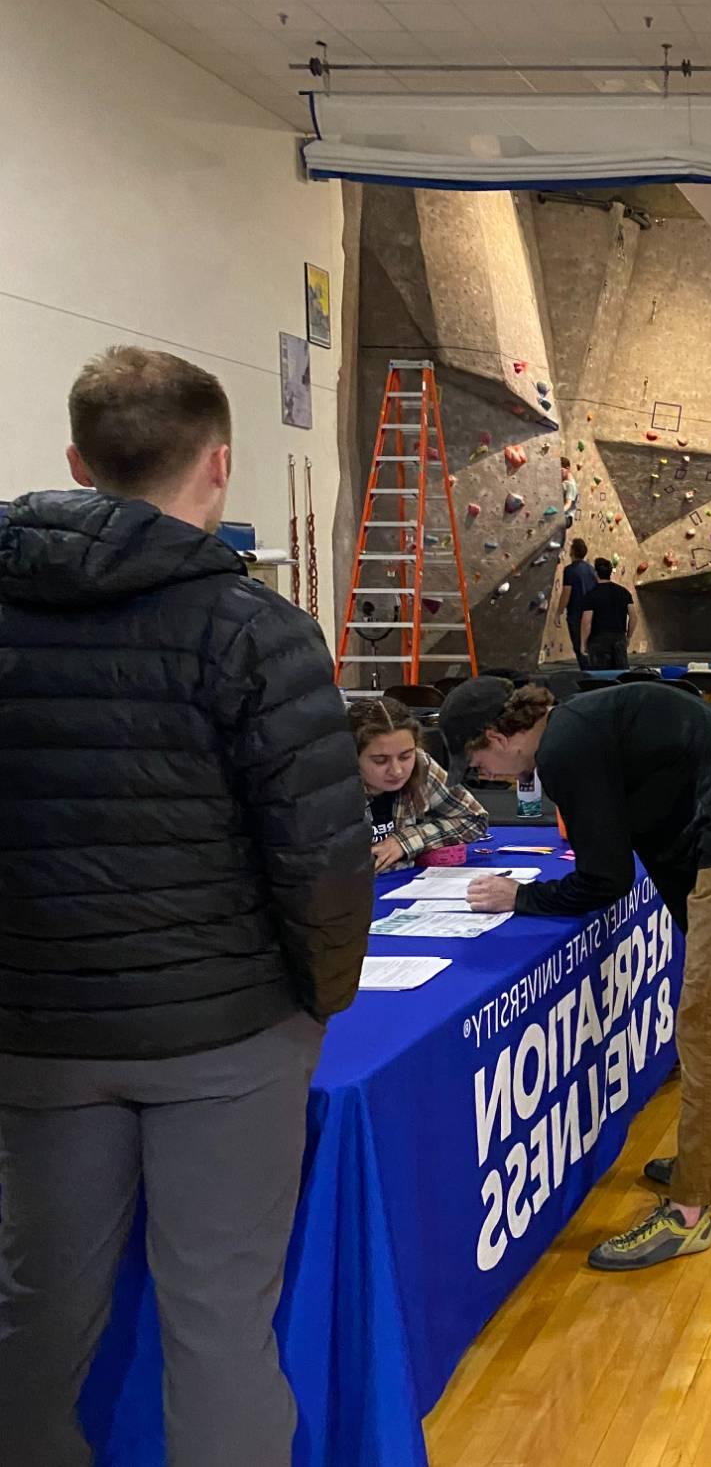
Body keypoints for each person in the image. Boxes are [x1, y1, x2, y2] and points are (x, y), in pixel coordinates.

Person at [0, 347, 372, 1464]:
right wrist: (317, 1004)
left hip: (40, 1033)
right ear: (220, 465)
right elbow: (320, 855)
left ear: (76, 461)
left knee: (35, 1313)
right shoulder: (251, 629)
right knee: (215, 1327)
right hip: (224, 1031)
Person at [441, 679, 711, 1271]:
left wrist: (522, 899)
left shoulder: (563, 748)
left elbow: (604, 880)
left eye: (478, 762)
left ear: (495, 737)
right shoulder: (583, 718)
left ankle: (690, 1210)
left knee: (705, 1027)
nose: (488, 775)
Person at [350, 697, 489, 872]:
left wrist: (405, 842)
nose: (397, 771)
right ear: (351, 756)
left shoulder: (421, 765)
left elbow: (474, 819)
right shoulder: (327, 789)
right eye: (380, 760)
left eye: (405, 756)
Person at [579, 556, 633, 670]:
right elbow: (634, 617)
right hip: (619, 638)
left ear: (595, 573)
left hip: (598, 639)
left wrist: (583, 643)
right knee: (621, 676)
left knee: (601, 678)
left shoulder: (591, 595)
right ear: (610, 573)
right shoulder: (624, 592)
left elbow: (586, 622)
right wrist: (628, 637)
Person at [559, 537, 597, 665]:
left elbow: (566, 593)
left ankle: (587, 676)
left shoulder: (570, 570)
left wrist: (558, 612)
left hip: (576, 613)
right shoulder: (592, 570)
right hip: (592, 614)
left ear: (573, 552)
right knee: (590, 647)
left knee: (579, 647)